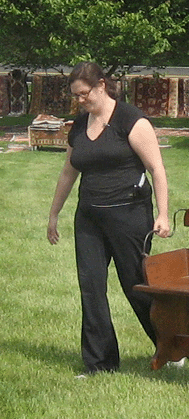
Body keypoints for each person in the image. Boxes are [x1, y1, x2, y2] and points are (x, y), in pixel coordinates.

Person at [47, 61, 170, 376]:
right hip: (89, 218)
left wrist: (163, 213)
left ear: (101, 85)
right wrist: (54, 213)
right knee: (91, 288)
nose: (80, 100)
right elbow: (68, 171)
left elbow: (156, 168)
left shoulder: (131, 120)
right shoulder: (79, 125)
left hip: (129, 215)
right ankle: (100, 363)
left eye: (84, 93)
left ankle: (171, 346)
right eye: (76, 96)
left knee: (136, 285)